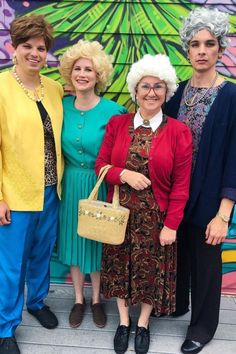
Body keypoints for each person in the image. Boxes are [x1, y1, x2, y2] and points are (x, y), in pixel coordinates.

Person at [95, 54, 192, 354]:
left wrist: (172, 225)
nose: (151, 92)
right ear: (135, 90)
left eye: (158, 87)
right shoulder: (117, 124)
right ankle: (124, 322)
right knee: (120, 269)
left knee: (150, 273)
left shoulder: (179, 131)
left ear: (167, 92)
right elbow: (101, 165)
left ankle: (143, 324)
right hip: (120, 215)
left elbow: (181, 185)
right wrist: (123, 174)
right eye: (145, 86)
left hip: (157, 220)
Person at [164, 8, 236, 354]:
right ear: (187, 50)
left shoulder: (231, 96)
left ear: (220, 49)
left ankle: (203, 327)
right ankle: (177, 305)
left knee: (206, 265)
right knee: (177, 254)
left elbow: (235, 156)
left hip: (210, 196)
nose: (202, 50)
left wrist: (224, 214)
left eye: (210, 43)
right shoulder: (176, 94)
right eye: (195, 44)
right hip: (176, 195)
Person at [0, 14, 63, 354]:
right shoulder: (1, 88)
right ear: (14, 47)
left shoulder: (52, 88)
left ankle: (37, 302)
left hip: (51, 190)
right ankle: (6, 326)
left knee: (41, 254)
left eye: (41, 48)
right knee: (11, 265)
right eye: (28, 46)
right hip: (15, 193)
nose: (35, 53)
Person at [58, 39, 127, 329]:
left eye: (89, 69)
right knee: (74, 240)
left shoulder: (113, 111)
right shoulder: (60, 106)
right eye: (77, 68)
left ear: (99, 75)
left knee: (97, 239)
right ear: (69, 73)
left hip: (100, 183)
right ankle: (78, 299)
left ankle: (97, 300)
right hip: (71, 181)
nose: (83, 74)